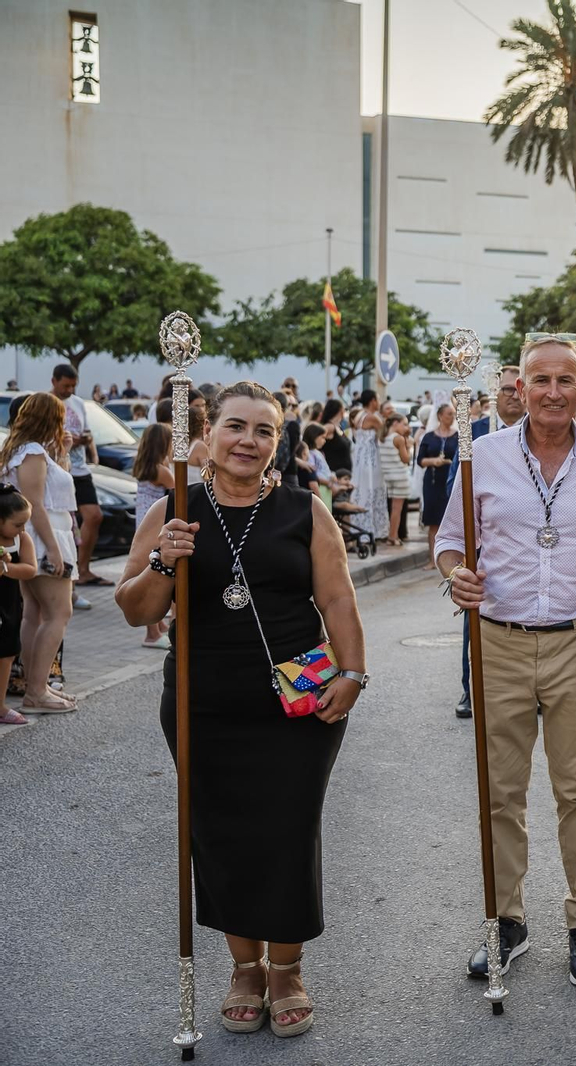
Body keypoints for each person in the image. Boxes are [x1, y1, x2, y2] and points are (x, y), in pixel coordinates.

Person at [114, 382, 368, 1040]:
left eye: (263, 430)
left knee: (287, 828)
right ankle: (245, 967)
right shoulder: (176, 508)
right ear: (210, 433)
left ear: (278, 441)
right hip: (203, 700)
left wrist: (354, 673)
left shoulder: (304, 511)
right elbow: (135, 609)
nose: (247, 441)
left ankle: (287, 968)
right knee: (218, 832)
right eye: (235, 426)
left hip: (298, 694)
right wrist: (165, 561)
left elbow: (338, 601)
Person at [436, 333, 576, 987]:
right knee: (501, 793)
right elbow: (450, 540)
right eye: (539, 380)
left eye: (565, 380)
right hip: (499, 642)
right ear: (520, 387)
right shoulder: (480, 454)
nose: (551, 392)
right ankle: (506, 922)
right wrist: (455, 573)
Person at [447, 366, 524, 719]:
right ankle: (469, 689)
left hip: (525, 547)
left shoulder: (543, 434)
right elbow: (457, 485)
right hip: (484, 547)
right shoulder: (474, 434)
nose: (510, 395)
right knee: (474, 619)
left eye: (515, 388)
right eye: (504, 389)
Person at [3, 394, 79, 712]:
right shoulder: (31, 452)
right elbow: (35, 505)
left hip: (39, 536)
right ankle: (36, 691)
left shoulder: (25, 450)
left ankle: (38, 685)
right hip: (45, 536)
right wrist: (52, 548)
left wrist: (62, 452)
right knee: (59, 613)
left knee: (34, 613)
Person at [50, 365, 106, 593]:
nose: (70, 390)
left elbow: (87, 431)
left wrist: (86, 441)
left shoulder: (78, 403)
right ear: (54, 381)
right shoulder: (47, 403)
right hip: (58, 468)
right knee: (66, 522)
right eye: (66, 385)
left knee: (94, 516)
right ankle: (68, 573)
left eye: (73, 385)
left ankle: (84, 569)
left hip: (79, 468)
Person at [132, 423, 176, 648]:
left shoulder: (145, 466)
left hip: (143, 523)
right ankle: (152, 633)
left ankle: (158, 627)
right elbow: (179, 490)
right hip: (155, 525)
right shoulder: (161, 470)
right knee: (154, 571)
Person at [0, 488, 38, 725]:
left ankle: (1, 706)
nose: (23, 529)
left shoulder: (20, 539)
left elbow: (30, 569)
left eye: (25, 523)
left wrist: (6, 568)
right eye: (17, 524)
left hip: (9, 604)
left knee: (6, 653)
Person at [416, 403, 458, 558]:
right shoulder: (429, 436)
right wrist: (434, 461)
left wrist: (448, 462)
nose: (451, 417)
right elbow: (420, 460)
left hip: (451, 480)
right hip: (433, 482)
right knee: (434, 521)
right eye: (449, 414)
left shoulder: (457, 436)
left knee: (453, 520)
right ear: (440, 416)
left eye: (453, 414)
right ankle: (433, 559)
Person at [348, 391, 385, 544]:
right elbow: (383, 435)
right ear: (372, 401)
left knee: (362, 491)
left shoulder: (358, 415)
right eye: (377, 399)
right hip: (370, 459)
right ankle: (373, 530)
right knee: (371, 490)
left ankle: (360, 528)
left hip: (359, 459)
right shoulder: (372, 417)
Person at [379, 413, 411, 547]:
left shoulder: (382, 437)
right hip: (399, 476)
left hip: (388, 476)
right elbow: (406, 459)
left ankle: (392, 534)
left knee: (392, 508)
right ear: (395, 423)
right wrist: (409, 446)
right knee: (397, 509)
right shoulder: (398, 438)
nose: (406, 427)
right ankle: (393, 536)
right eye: (404, 424)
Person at [319, 400, 352, 474]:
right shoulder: (330, 427)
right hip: (334, 472)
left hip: (344, 473)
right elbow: (314, 434)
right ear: (340, 410)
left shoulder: (338, 427)